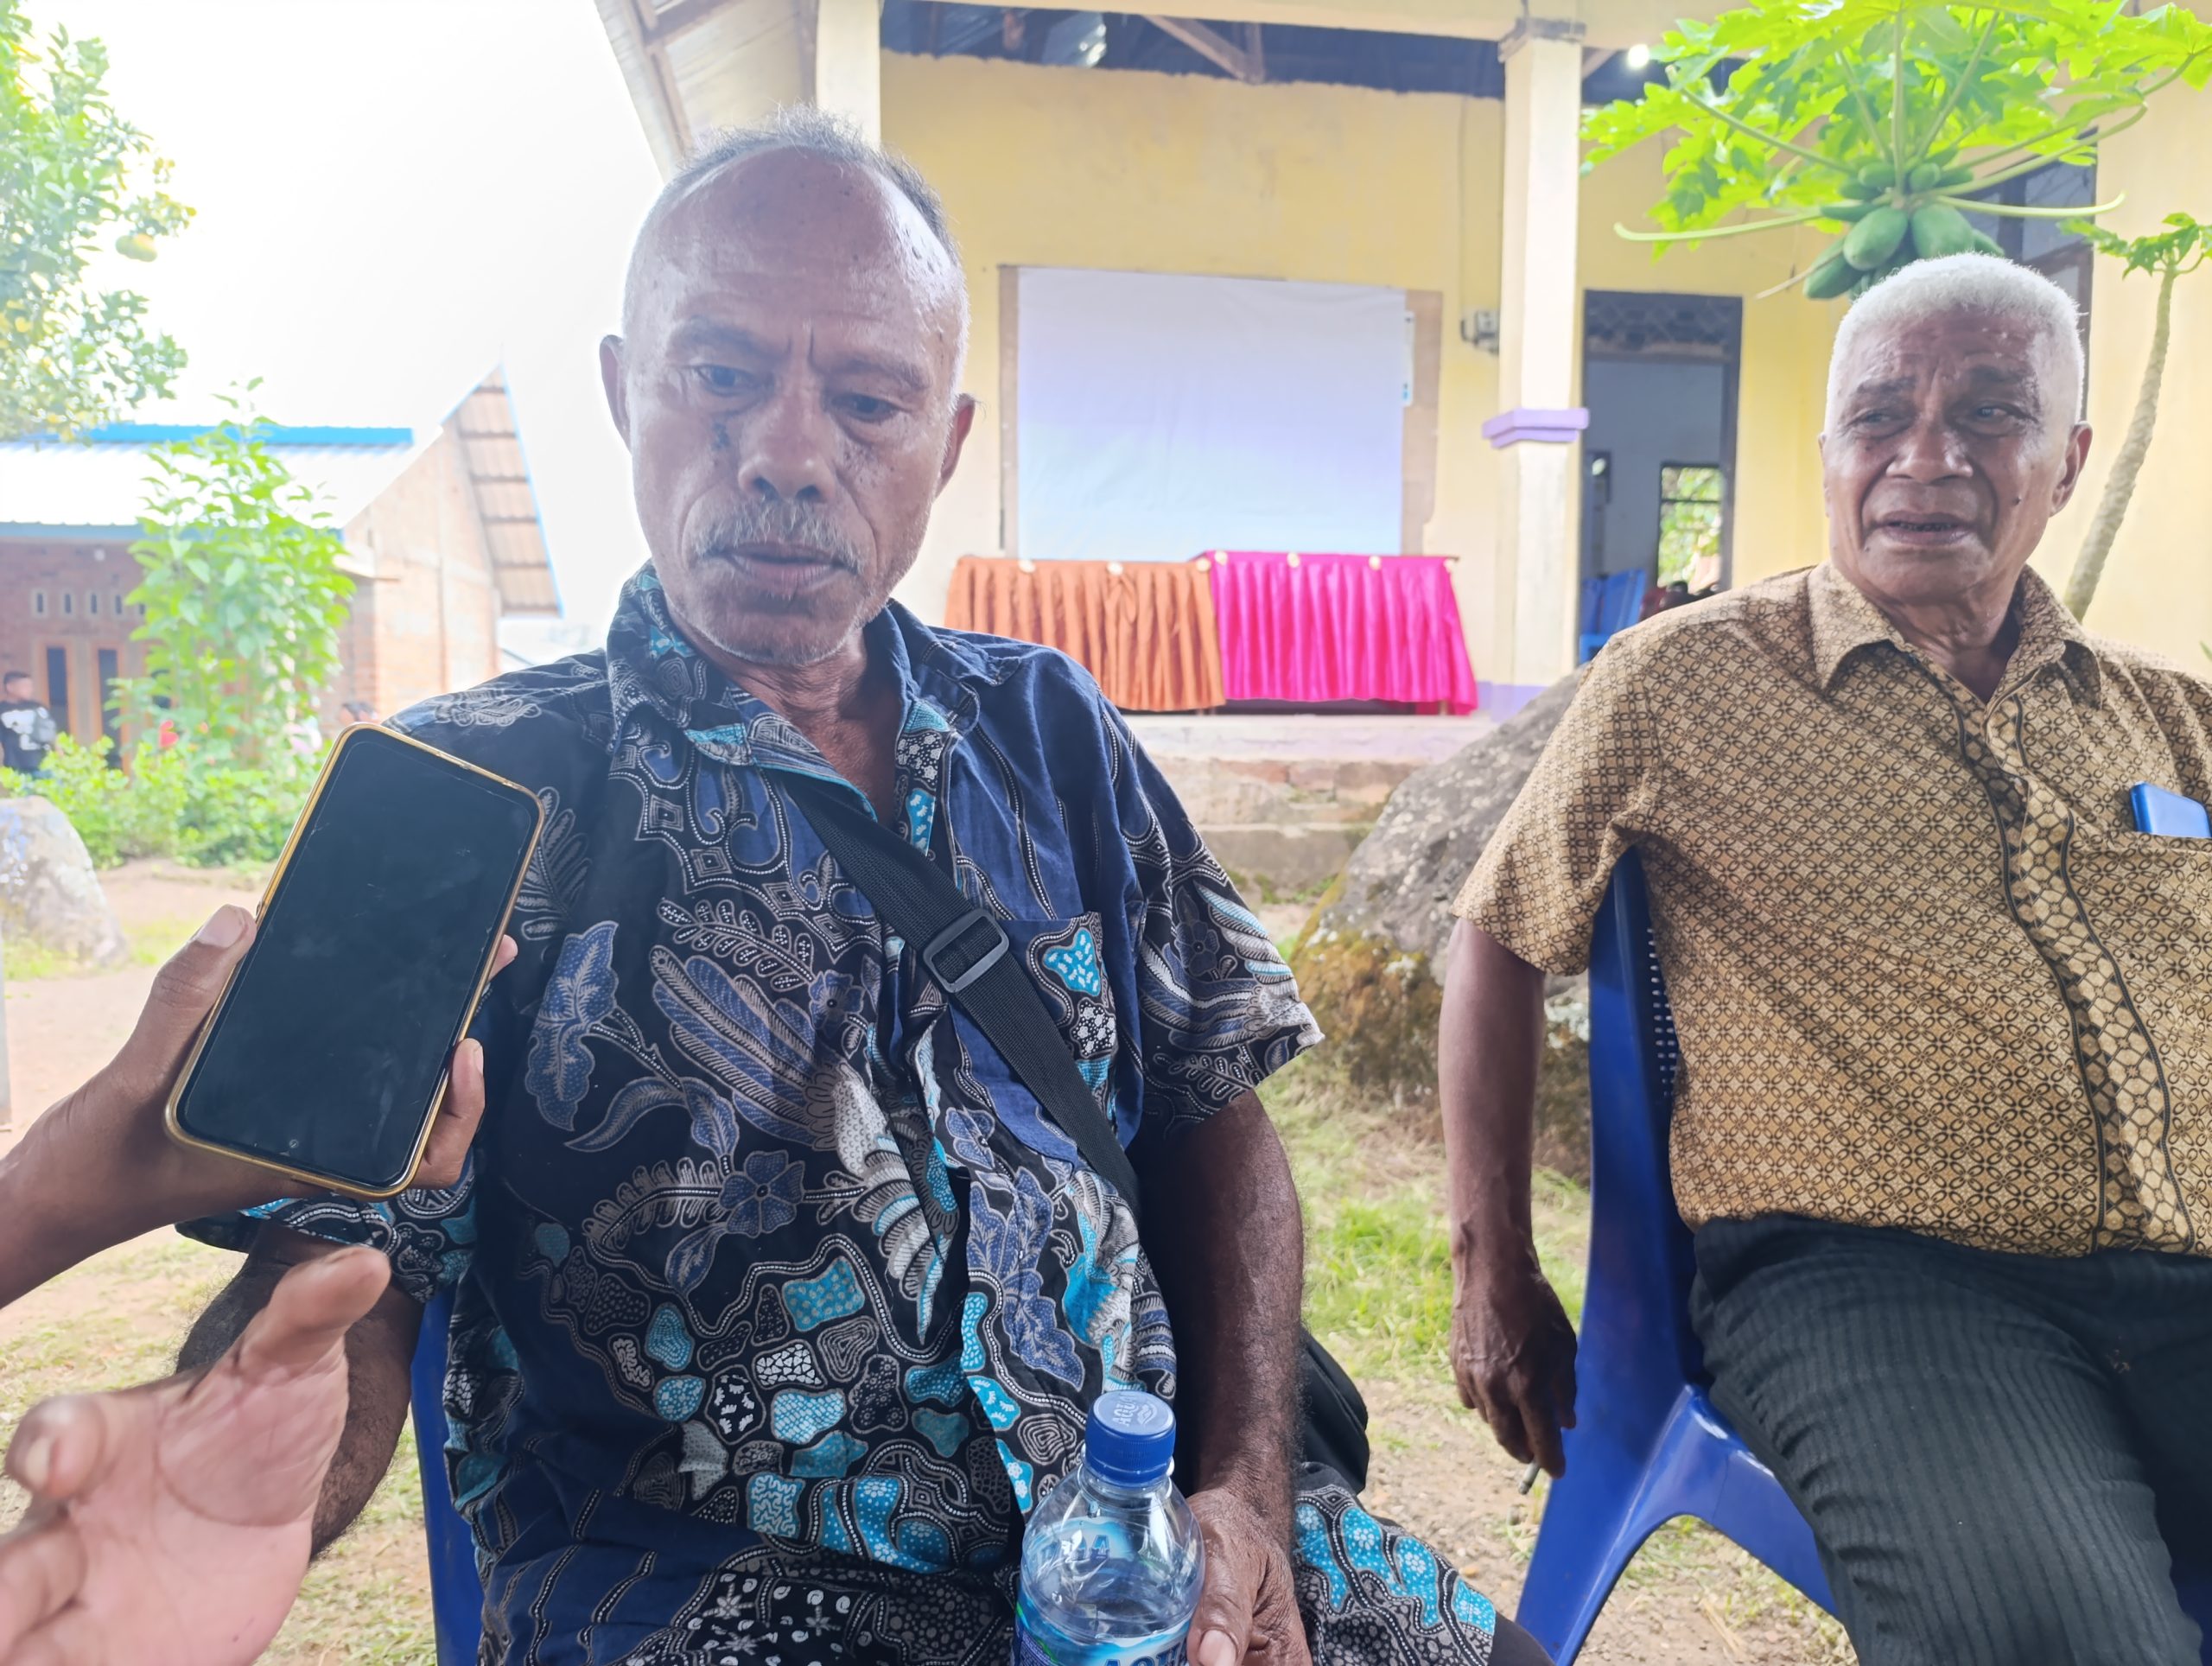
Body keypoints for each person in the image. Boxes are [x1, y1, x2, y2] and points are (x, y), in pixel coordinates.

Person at [0, 112, 1541, 1666]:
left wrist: (1247, 1491)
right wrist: (241, 1466)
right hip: (717, 1596)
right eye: (722, 374)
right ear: (625, 392)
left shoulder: (1052, 730)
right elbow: (337, 1276)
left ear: (946, 441)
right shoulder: (456, 797)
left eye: (867, 401)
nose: (789, 453)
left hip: (1144, 1543)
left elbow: (1216, 1116)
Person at [1442, 253, 2210, 1666]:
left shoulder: (2175, 719)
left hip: (2192, 1269)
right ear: (1828, 453)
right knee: (2051, 1639)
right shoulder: (1686, 681)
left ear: (2069, 459)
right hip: (1883, 1282)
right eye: (1879, 417)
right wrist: (1492, 1265)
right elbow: (1499, 932)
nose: (1927, 458)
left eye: (1990, 413)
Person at [0, 671, 58, 777]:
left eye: (30, 686)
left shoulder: (38, 707)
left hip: (45, 765)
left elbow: (51, 733)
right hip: (17, 768)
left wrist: (59, 753)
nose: (30, 690)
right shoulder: (2, 710)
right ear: (10, 687)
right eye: (25, 686)